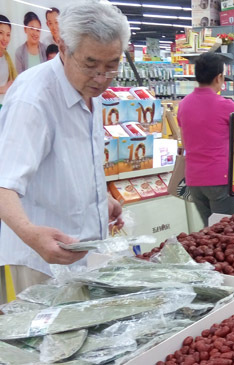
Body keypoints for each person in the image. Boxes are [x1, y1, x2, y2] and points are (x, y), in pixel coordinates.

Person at [0, 0, 129, 295]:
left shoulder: (89, 92)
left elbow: (74, 161)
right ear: (63, 46)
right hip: (41, 264)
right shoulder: (34, 99)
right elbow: (3, 184)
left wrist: (99, 199)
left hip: (86, 255)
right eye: (91, 64)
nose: (101, 77)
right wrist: (30, 234)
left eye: (112, 65)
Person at [177, 53, 234, 226]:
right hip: (220, 177)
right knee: (224, 231)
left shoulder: (184, 104)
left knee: (208, 230)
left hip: (194, 179)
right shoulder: (225, 105)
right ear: (219, 77)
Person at [0, 15, 17, 106]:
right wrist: (3, 88)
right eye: (1, 33)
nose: (5, 38)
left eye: (8, 34)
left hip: (4, 105)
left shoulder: (6, 57)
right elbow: (5, 87)